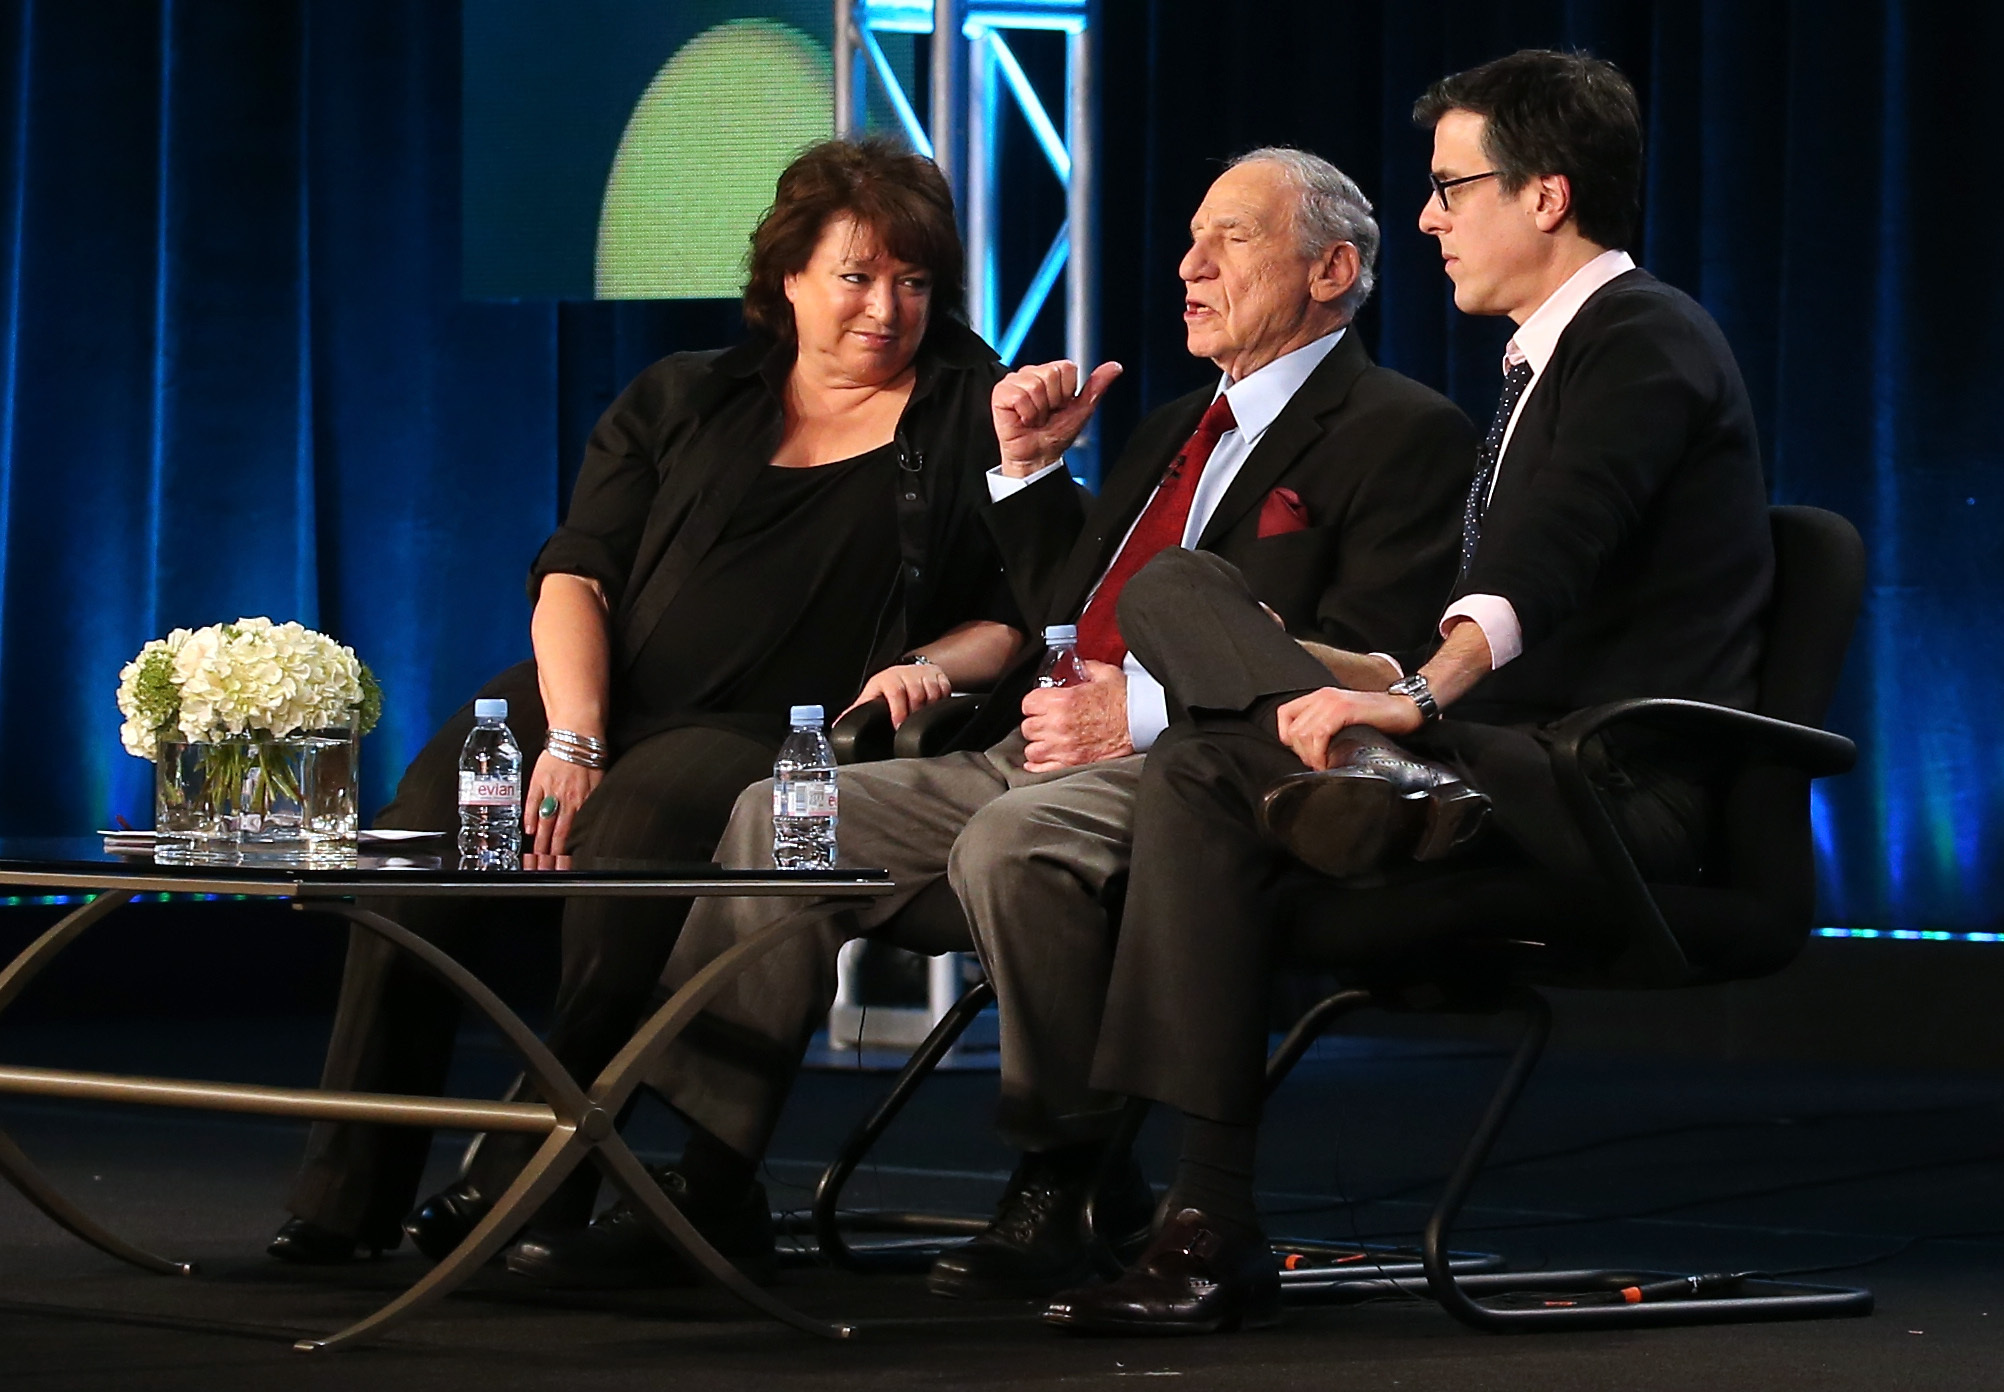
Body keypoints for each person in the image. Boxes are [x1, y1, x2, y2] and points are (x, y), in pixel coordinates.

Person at [504, 148, 1476, 1295]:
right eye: (1191, 237)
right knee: (779, 811)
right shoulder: (1176, 424)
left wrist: (1142, 713)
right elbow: (1063, 612)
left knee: (1015, 844)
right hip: (1036, 744)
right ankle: (710, 1176)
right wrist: (1025, 472)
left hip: (1205, 768)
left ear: (1334, 269)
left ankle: (1061, 1179)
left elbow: (1357, 669)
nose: (1189, 264)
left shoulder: (1402, 431)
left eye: (1231, 240)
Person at [1043, 50, 1776, 1335]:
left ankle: (1203, 1219)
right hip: (1488, 759)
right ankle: (1372, 782)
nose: (1428, 219)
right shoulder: (1537, 362)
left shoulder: (1644, 338)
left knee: (1208, 768)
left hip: (1604, 788)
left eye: (1453, 188)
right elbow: (1464, 618)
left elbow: (1542, 566)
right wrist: (1333, 672)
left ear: (1545, 196)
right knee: (1173, 597)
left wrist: (1421, 702)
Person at [267, 138, 1028, 1264]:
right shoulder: (684, 396)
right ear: (787, 279)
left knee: (638, 830)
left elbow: (1019, 611)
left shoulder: (975, 416)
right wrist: (573, 733)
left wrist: (939, 665)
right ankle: (345, 1196)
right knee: (415, 858)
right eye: (856, 276)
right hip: (606, 692)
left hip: (786, 731)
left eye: (913, 282)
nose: (886, 308)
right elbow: (576, 574)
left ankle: (542, 1167)